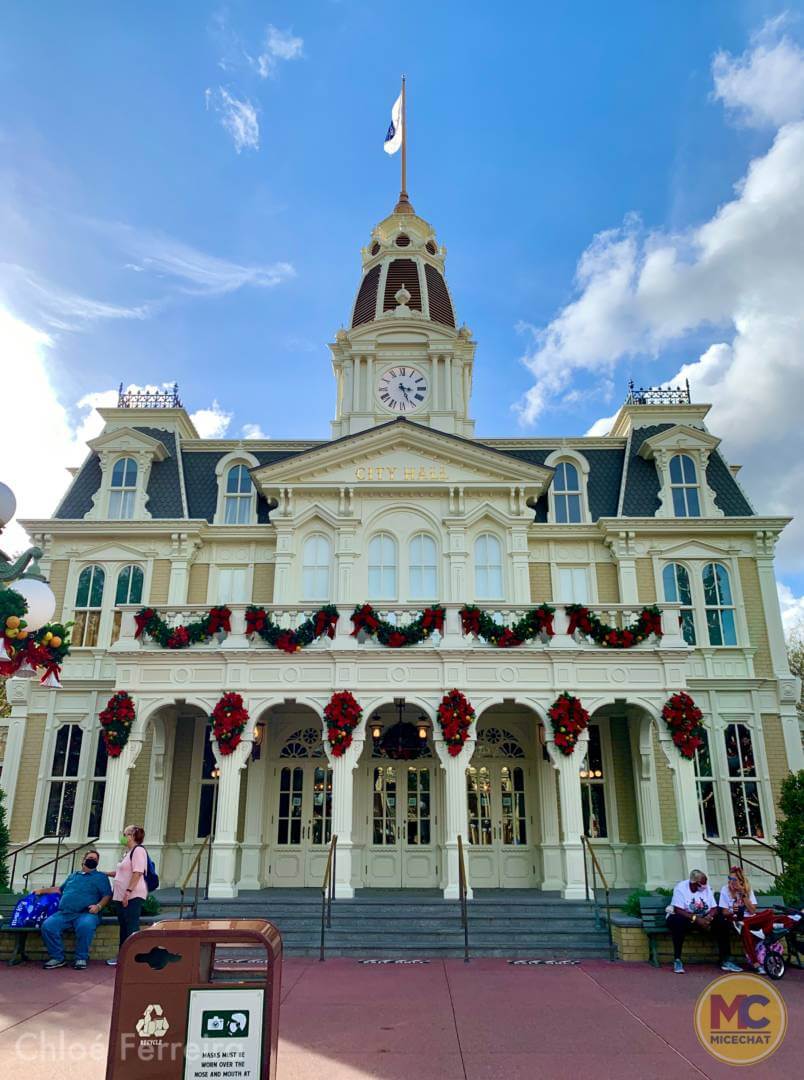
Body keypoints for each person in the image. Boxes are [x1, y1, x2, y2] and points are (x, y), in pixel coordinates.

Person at [35, 849, 112, 970]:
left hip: (86, 914)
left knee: (85, 926)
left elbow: (107, 895)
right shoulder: (73, 875)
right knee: (48, 926)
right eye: (90, 858)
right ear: (83, 860)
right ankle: (57, 958)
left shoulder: (100, 877)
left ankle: (81, 958)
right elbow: (59, 890)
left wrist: (98, 906)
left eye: (95, 860)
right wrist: (42, 891)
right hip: (64, 913)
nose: (92, 861)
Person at [719, 866, 801, 973]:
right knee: (746, 929)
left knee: (769, 913)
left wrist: (743, 894)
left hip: (751, 919)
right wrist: (732, 911)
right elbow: (724, 912)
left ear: (740, 880)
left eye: (733, 880)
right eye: (729, 879)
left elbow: (752, 911)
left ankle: (757, 928)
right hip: (736, 919)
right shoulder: (725, 890)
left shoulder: (747, 889)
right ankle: (756, 963)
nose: (731, 882)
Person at [666, 869, 741, 974]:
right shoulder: (681, 888)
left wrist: (709, 918)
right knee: (678, 921)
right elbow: (678, 910)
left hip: (704, 918)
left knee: (721, 922)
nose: (704, 887)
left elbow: (714, 908)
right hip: (686, 918)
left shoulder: (706, 889)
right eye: (702, 884)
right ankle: (677, 960)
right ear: (693, 883)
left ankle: (725, 959)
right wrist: (696, 919)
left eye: (705, 884)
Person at [105, 823, 149, 967]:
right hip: (120, 895)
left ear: (132, 836)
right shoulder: (127, 853)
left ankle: (132, 958)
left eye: (125, 834)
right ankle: (123, 956)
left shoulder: (138, 851)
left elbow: (138, 872)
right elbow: (122, 872)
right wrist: (105, 873)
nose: (123, 837)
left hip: (132, 895)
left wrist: (128, 893)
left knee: (131, 926)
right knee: (124, 926)